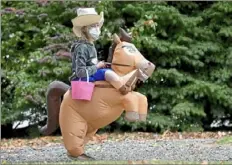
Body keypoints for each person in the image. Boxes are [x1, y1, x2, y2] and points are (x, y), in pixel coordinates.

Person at [69, 8, 141, 95]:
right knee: (107, 73)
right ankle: (123, 86)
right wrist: (97, 66)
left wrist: (101, 65)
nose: (97, 29)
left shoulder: (90, 45)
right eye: (93, 26)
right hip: (82, 79)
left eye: (97, 26)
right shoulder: (82, 47)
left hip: (90, 74)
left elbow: (89, 64)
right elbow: (80, 72)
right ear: (84, 29)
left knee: (108, 69)